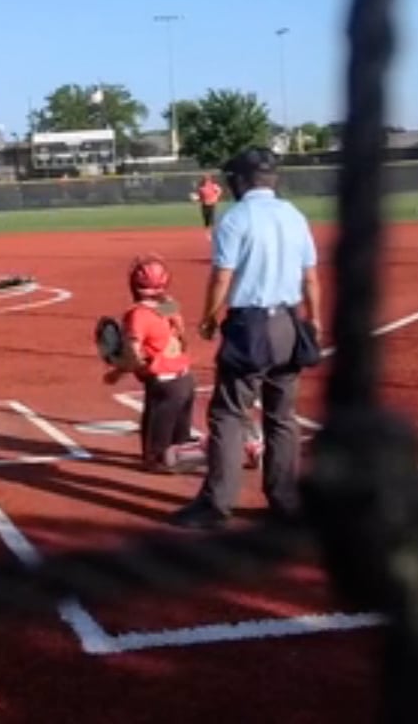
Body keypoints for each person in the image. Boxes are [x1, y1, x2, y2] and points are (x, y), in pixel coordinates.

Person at [172, 147, 321, 529]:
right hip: (290, 322)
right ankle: (285, 500)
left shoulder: (236, 218)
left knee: (228, 414)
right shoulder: (294, 215)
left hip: (250, 326)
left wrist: (208, 317)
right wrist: (315, 320)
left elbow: (222, 276)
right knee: (282, 417)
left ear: (240, 181)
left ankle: (217, 503)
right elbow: (310, 278)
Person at [101, 256, 199, 473]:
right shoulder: (169, 304)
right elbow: (182, 339)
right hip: (186, 381)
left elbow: (134, 356)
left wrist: (117, 372)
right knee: (179, 446)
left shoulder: (137, 314)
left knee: (156, 456)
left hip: (164, 387)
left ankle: (161, 460)